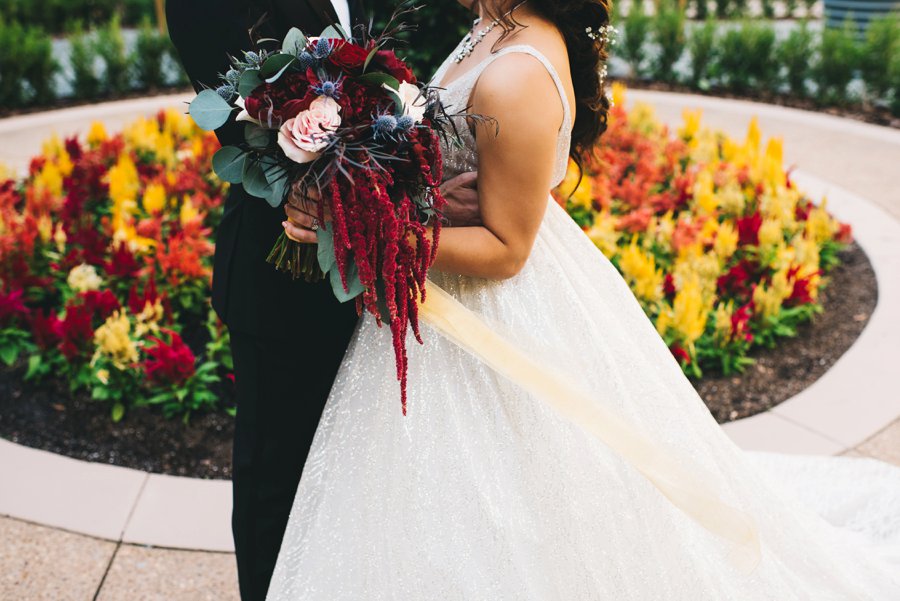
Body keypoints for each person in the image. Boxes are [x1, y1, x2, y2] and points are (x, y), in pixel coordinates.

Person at [268, 1, 900, 599]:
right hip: (441, 301)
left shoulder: (518, 70)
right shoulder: (490, 24)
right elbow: (502, 182)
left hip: (492, 319)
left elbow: (509, 248)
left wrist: (367, 224)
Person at [166, 2, 480, 599]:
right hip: (282, 285)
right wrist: (420, 200)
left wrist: (420, 181)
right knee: (278, 493)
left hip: (374, 282)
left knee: (355, 496)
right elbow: (248, 133)